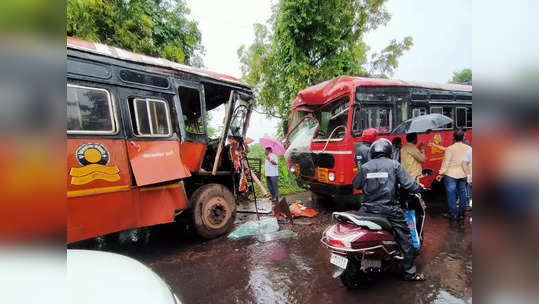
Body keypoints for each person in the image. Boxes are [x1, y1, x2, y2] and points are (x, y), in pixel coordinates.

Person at [353, 138, 425, 281]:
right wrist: (419, 187)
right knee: (406, 238)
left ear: (373, 151)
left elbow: (356, 184)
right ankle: (409, 272)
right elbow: (409, 185)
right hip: (389, 210)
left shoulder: (365, 167)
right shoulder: (394, 165)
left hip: (367, 210)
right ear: (388, 151)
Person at [436, 129, 471, 221]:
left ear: (453, 138)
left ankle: (453, 214)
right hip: (463, 174)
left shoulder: (450, 149)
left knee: (451, 194)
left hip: (451, 175)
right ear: (463, 137)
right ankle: (462, 214)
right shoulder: (468, 148)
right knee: (462, 193)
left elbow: (446, 163)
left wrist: (441, 174)